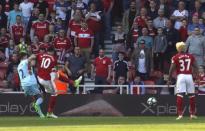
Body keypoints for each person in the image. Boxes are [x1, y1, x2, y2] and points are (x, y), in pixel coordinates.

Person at [168, 42, 198, 120]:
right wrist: (197, 77)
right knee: (192, 95)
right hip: (189, 76)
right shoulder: (190, 56)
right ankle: (192, 114)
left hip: (181, 76)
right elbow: (196, 67)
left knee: (180, 95)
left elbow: (171, 69)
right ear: (184, 48)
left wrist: (169, 79)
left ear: (177, 48)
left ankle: (180, 114)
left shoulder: (175, 57)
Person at [17, 53, 44, 118]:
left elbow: (32, 64)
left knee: (35, 99)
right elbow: (31, 59)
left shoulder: (18, 66)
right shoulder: (24, 61)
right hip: (31, 82)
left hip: (24, 85)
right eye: (26, 56)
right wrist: (35, 55)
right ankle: (37, 106)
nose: (27, 58)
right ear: (23, 57)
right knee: (41, 96)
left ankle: (41, 115)